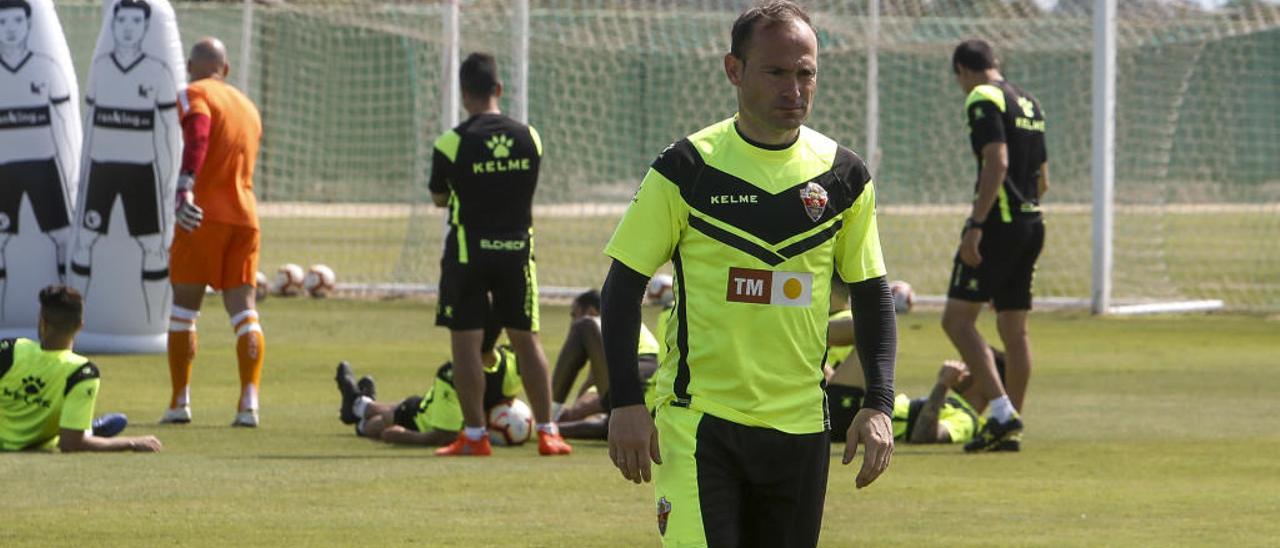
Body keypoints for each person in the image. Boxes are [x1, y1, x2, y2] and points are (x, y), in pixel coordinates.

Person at [600, 3, 897, 545]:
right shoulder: (687, 167)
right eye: (777, 72)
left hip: (802, 427)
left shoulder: (844, 176)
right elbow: (623, 286)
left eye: (806, 73)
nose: (794, 88)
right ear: (734, 70)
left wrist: (878, 405)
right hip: (700, 423)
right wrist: (624, 401)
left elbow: (873, 295)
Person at [427, 51, 570, 456]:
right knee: (527, 340)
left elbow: (439, 198)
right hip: (516, 251)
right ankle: (548, 431)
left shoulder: (451, 143)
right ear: (499, 88)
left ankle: (474, 436)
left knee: (466, 344)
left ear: (463, 93)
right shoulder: (531, 137)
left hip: (468, 253)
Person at [941, 38, 1048, 452]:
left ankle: (1001, 412)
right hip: (1031, 223)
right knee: (1013, 329)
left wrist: (976, 225)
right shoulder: (1030, 102)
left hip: (998, 226)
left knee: (956, 320)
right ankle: (1012, 423)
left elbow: (997, 162)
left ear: (962, 71)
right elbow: (1043, 177)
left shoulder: (982, 97)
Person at [160, 37, 265, 427]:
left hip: (200, 213)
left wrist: (186, 182)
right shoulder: (250, 108)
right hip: (245, 215)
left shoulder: (193, 93)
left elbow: (199, 134)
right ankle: (249, 403)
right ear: (227, 68)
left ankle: (179, 402)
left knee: (185, 311)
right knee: (244, 312)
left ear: (190, 66)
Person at [71, 0, 178, 323]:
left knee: (152, 246)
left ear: (146, 27)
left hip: (142, 173)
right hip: (102, 171)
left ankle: (151, 320)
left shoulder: (157, 71)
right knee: (84, 241)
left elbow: (165, 132)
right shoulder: (102, 67)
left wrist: (168, 179)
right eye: (122, 21)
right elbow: (89, 126)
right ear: (112, 24)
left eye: (135, 21)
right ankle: (78, 322)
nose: (128, 27)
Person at [0, 285, 161, 452]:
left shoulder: (9, 349)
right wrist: (131, 442)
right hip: (37, 443)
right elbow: (70, 444)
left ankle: (85, 427)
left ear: (42, 322)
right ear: (80, 326)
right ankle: (87, 428)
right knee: (71, 431)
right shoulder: (82, 372)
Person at [333, 321, 524, 447]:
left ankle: (359, 406)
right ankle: (360, 409)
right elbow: (443, 435)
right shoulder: (515, 365)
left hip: (428, 415)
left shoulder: (453, 375)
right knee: (393, 416)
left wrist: (402, 437)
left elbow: (444, 435)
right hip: (425, 416)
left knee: (399, 412)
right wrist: (399, 436)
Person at [0, 0, 76, 315]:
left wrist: (70, 168)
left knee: (61, 237)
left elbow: (63, 123)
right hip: (4, 172)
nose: (10, 29)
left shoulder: (46, 67)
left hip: (44, 169)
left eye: (17, 21)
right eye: (3, 23)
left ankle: (66, 313)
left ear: (28, 25)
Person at [549, 289, 660, 440]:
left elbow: (588, 402)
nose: (572, 321)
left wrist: (566, 414)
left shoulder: (611, 321)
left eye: (574, 315)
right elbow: (595, 390)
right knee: (610, 424)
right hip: (650, 402)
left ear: (591, 311)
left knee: (584, 326)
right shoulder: (630, 331)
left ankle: (547, 416)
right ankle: (551, 429)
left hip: (641, 380)